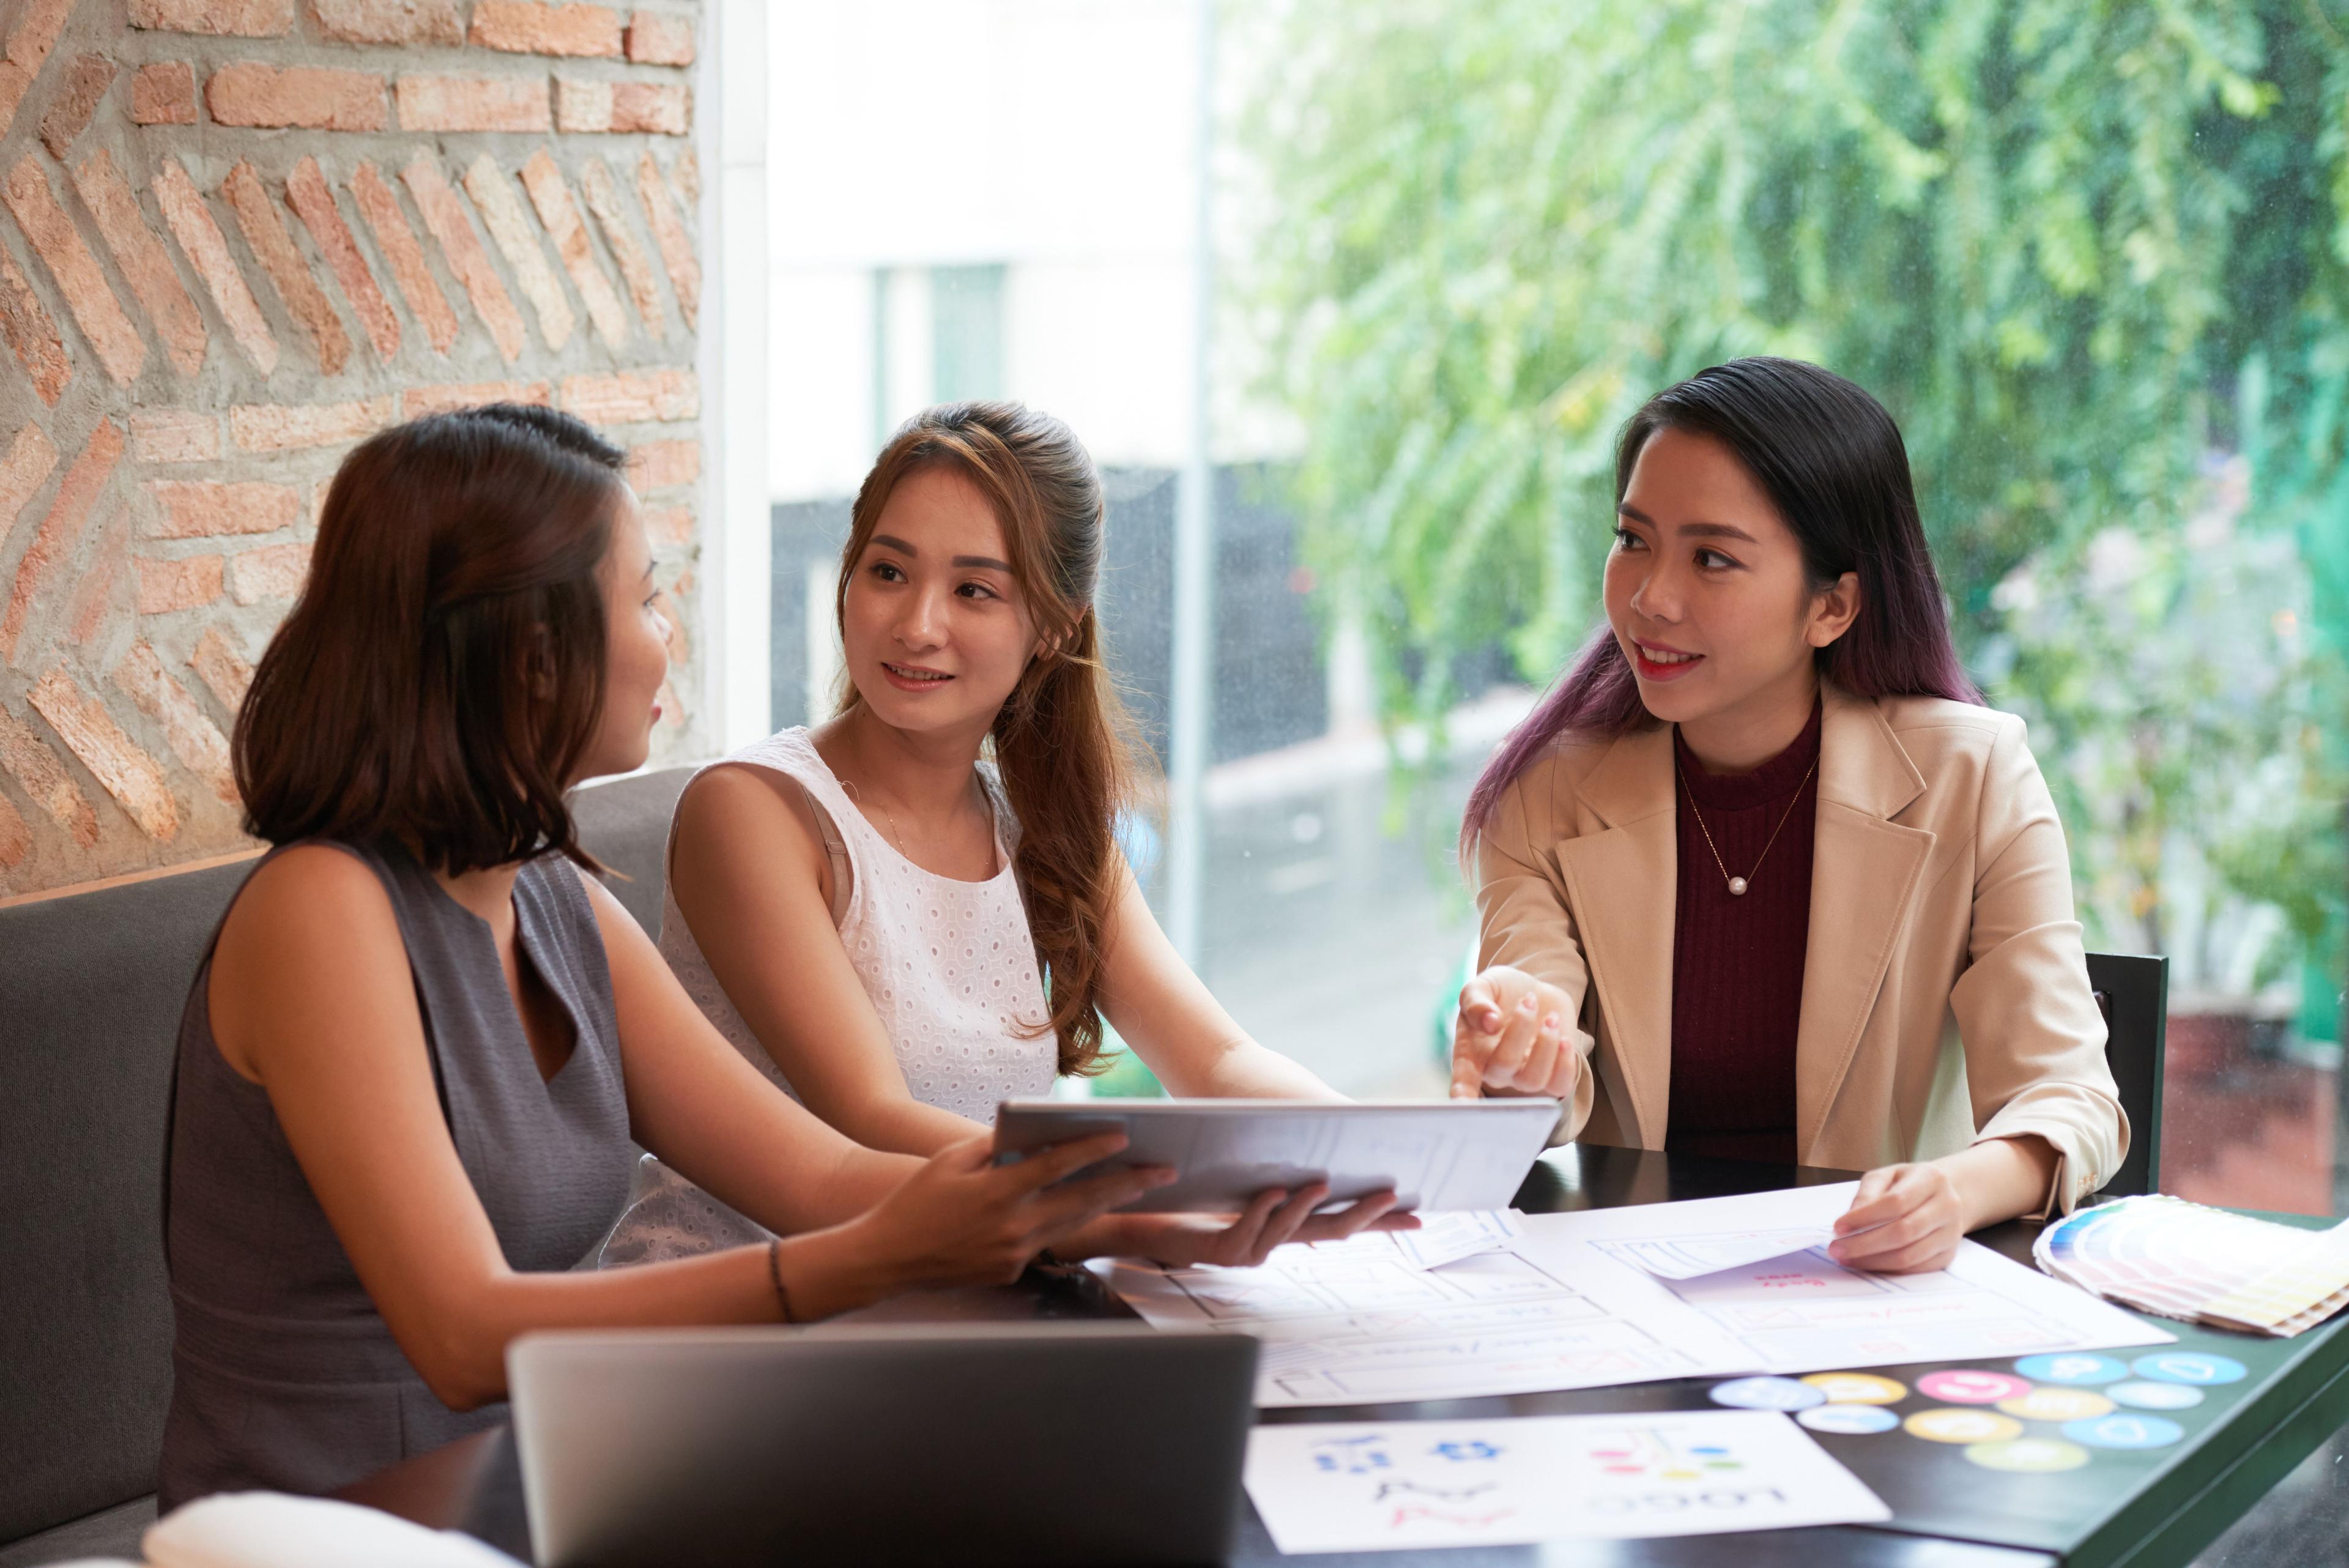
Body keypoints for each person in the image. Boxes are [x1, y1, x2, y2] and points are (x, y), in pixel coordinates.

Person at [158, 405, 1197, 1507]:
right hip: (334, 1527)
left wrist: (1141, 1215)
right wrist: (886, 1253)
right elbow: (464, 1335)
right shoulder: (320, 912)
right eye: (647, 597)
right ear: (534, 652)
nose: (670, 635)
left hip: (521, 1494)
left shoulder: (559, 903)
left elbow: (824, 1174)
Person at [605, 402, 1409, 1269]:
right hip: (739, 1318)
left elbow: (1215, 1058)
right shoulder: (754, 812)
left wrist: (1384, 1166)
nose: (917, 624)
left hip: (962, 1294)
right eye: (887, 572)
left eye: (974, 590)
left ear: (1054, 626)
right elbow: (868, 1118)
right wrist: (1127, 1213)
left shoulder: (1047, 833)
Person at [1449, 357, 2126, 1273]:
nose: (1650, 597)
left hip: (1865, 1293)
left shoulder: (1975, 774)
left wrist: (1956, 1191)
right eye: (1633, 539)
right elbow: (1541, 1044)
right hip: (1624, 1292)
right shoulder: (1543, 787)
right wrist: (1521, 1052)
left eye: (1713, 558)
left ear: (1833, 604)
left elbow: (2071, 1098)